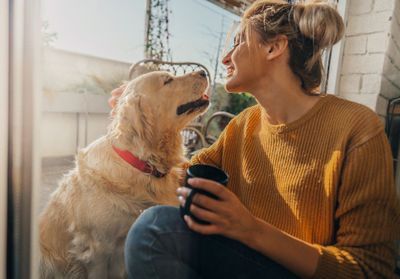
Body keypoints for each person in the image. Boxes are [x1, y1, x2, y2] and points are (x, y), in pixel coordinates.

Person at [111, 0, 400, 278]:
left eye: (238, 42)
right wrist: (140, 119)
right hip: (245, 261)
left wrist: (251, 230)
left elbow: (369, 270)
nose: (226, 58)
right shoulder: (244, 126)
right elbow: (177, 178)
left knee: (155, 229)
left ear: (274, 47)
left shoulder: (357, 128)